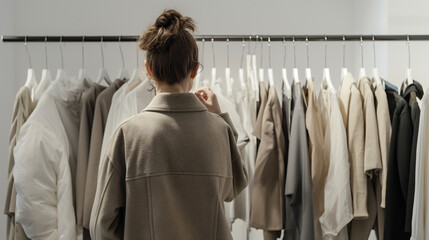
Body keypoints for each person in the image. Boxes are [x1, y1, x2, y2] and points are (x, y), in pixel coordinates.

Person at [89, 9, 248, 240]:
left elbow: (101, 226)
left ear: (149, 70)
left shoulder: (127, 135)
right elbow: (235, 186)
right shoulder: (219, 131)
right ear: (195, 69)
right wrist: (220, 117)